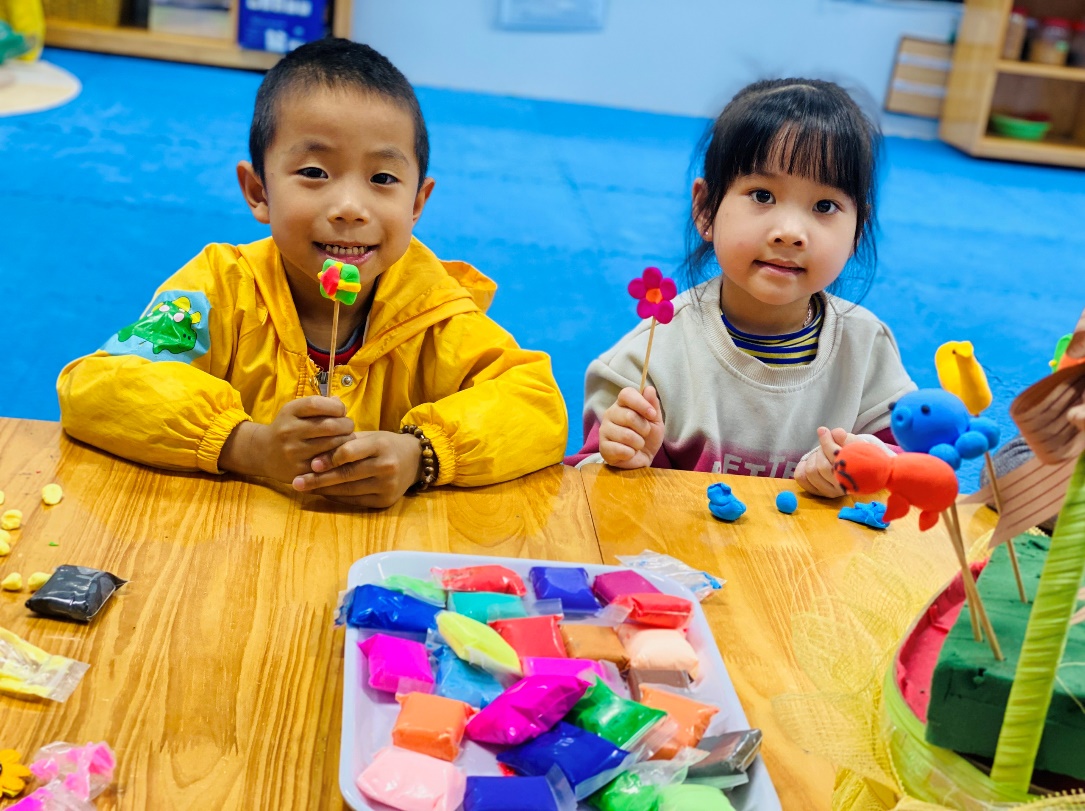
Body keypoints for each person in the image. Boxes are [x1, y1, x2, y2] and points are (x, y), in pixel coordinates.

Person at [58, 38, 567, 508]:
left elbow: (536, 404)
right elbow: (99, 385)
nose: (349, 207)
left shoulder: (434, 310)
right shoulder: (221, 287)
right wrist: (246, 445)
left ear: (417, 202)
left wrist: (421, 455)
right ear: (258, 191)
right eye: (314, 173)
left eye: (382, 178)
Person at [568, 78, 916, 497]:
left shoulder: (866, 348)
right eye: (762, 195)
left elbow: (907, 474)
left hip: (810, 561)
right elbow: (588, 495)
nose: (789, 233)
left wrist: (862, 462)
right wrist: (629, 455)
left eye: (824, 206)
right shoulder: (652, 357)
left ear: (858, 228)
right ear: (705, 209)